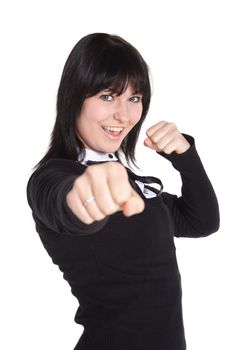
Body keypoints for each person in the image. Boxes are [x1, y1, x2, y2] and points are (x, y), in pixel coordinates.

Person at [27, 33, 220, 350]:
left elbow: (201, 222)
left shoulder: (130, 184)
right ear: (74, 98)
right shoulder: (54, 176)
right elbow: (63, 204)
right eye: (107, 96)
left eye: (134, 98)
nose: (125, 115)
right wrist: (83, 196)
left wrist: (186, 158)